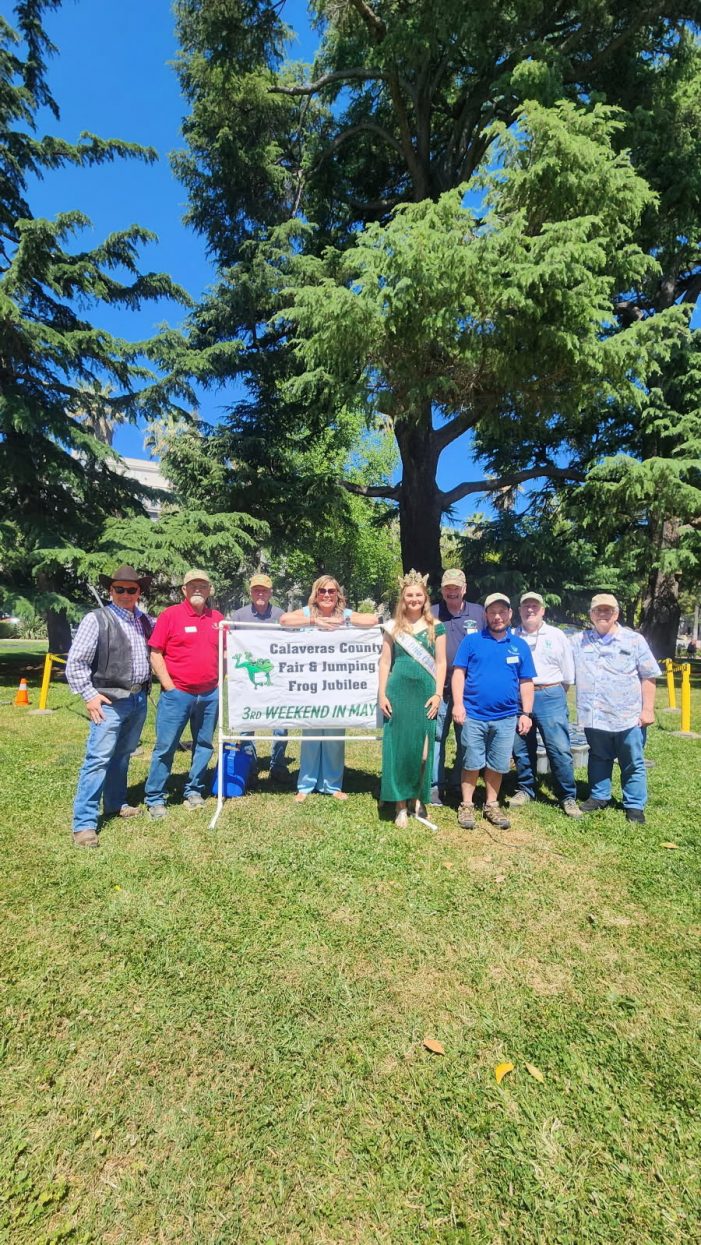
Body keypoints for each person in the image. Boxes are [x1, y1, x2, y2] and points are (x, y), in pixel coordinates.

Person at [66, 564, 154, 847]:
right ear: (110, 590)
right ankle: (84, 824)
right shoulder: (97, 619)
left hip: (139, 699)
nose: (125, 594)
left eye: (131, 589)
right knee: (98, 759)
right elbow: (76, 663)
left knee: (123, 755)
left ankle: (116, 803)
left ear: (139, 591)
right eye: (119, 589)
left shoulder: (144, 620)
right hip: (110, 701)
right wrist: (90, 696)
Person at [280, 576, 379, 801]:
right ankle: (305, 785)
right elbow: (284, 620)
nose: (327, 595)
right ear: (315, 593)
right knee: (311, 735)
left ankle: (332, 785)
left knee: (335, 737)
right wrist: (314, 622)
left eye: (331, 591)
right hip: (311, 687)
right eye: (322, 591)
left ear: (338, 595)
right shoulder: (307, 613)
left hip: (338, 687)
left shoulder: (343, 615)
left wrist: (345, 622)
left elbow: (372, 619)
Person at [571, 593, 661, 825]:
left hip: (627, 716)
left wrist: (648, 709)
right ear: (591, 614)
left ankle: (634, 805)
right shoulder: (579, 641)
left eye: (608, 610)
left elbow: (649, 676)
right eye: (598, 610)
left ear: (616, 614)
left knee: (632, 761)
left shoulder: (633, 640)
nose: (603, 614)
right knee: (598, 756)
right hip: (594, 715)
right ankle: (599, 795)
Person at [451, 593, 536, 830]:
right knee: (471, 761)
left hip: (506, 717)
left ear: (509, 614)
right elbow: (459, 673)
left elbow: (526, 681)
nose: (497, 617)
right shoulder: (472, 641)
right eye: (492, 612)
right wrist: (458, 704)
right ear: (485, 615)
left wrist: (526, 713)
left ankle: (491, 804)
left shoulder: (519, 645)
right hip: (474, 714)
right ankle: (467, 805)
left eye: (502, 612)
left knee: (498, 764)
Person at [145, 569, 224, 817]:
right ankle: (155, 797)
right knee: (165, 746)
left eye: (203, 585)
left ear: (210, 589)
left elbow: (226, 652)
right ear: (184, 590)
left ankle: (194, 790)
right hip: (178, 694)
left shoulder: (217, 618)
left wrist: (220, 679)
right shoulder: (171, 615)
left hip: (209, 694)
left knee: (203, 744)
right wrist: (169, 685)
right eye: (193, 586)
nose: (198, 589)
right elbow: (156, 652)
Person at [379, 571, 447, 827]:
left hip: (426, 693)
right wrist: (382, 693)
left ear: (425, 597)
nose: (414, 599)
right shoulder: (392, 626)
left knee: (423, 750)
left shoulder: (435, 626)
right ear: (403, 597)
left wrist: (438, 693)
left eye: (418, 595)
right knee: (399, 748)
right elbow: (385, 662)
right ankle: (399, 804)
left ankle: (418, 797)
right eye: (409, 595)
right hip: (398, 691)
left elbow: (441, 662)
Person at [511, 592, 582, 818]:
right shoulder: (512, 635)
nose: (530, 610)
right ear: (520, 610)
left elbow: (568, 674)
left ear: (543, 610)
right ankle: (525, 789)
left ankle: (567, 796)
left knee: (558, 748)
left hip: (550, 693)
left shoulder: (557, 635)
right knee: (522, 747)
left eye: (535, 606)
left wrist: (554, 694)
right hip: (519, 697)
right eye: (526, 606)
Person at [429, 569, 485, 806]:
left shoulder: (479, 613)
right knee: (436, 737)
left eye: (456, 588)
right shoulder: (431, 613)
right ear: (442, 590)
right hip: (438, 686)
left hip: (469, 689)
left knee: (467, 738)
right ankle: (434, 785)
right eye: (447, 588)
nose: (451, 592)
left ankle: (457, 782)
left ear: (464, 589)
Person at [231, 573, 292, 785]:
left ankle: (278, 765)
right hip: (247, 681)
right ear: (250, 592)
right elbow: (231, 646)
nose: (260, 593)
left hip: (275, 678)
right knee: (246, 722)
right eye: (256, 590)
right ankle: (250, 765)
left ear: (270, 593)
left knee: (281, 723)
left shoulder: (281, 615)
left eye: (264, 590)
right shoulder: (238, 616)